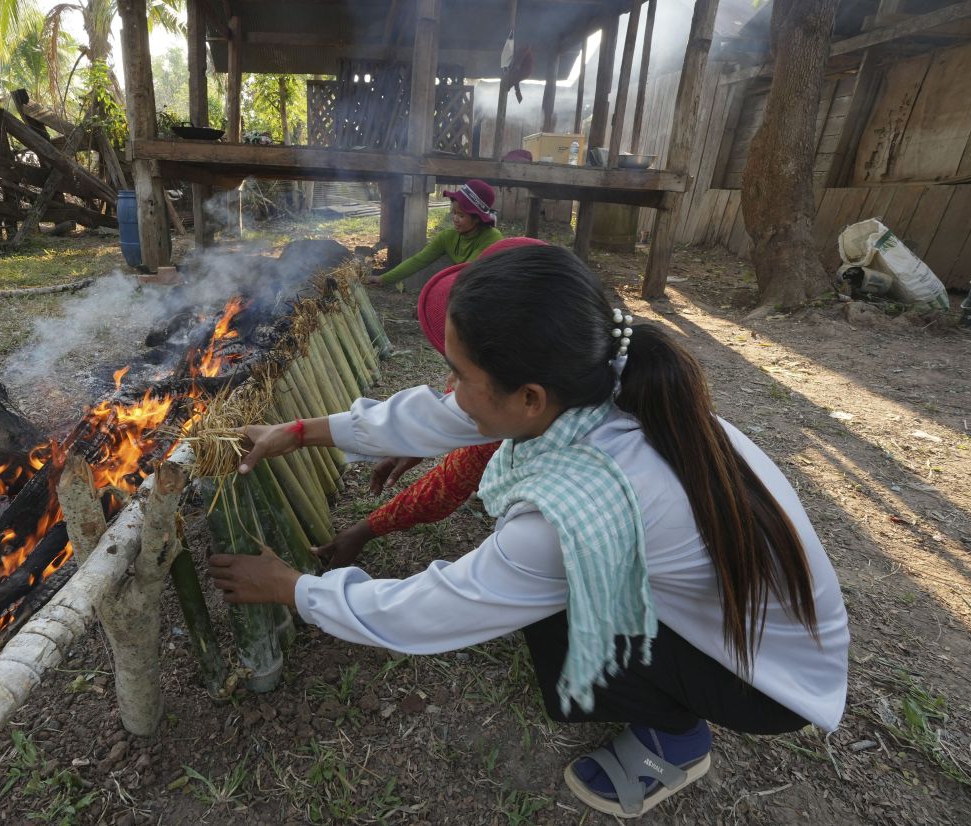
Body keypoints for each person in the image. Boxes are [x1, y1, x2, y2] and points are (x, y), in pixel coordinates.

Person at [209, 245, 850, 818]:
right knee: (546, 599)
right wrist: (298, 431)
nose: (449, 389)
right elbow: (441, 416)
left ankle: (675, 742)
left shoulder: (574, 511)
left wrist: (292, 588)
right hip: (753, 620)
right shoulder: (603, 377)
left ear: (530, 399)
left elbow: (424, 613)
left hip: (768, 682)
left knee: (551, 620)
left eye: (459, 374)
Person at [319, 237, 546, 569]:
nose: (450, 386)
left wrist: (362, 531)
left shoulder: (544, 530)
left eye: (460, 373)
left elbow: (447, 486)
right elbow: (449, 417)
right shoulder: (530, 386)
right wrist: (421, 443)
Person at [366, 179, 503, 290]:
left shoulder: (492, 238)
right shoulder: (448, 236)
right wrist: (383, 279)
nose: (455, 219)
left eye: (461, 215)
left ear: (477, 218)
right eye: (454, 213)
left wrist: (433, 301)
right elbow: (418, 260)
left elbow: (466, 272)